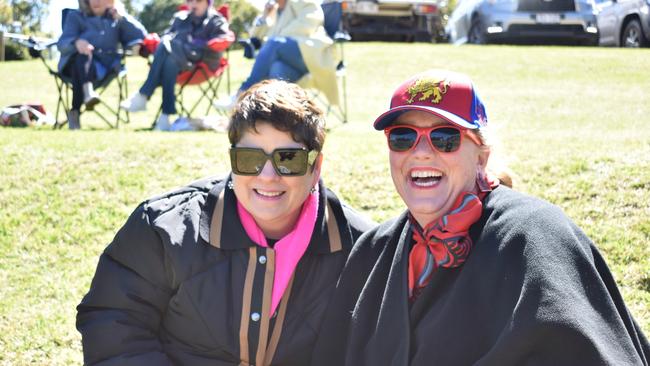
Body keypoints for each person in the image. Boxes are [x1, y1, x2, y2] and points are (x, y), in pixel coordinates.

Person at [311, 69, 650, 365]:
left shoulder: (535, 237)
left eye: (445, 139)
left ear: (481, 156)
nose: (421, 151)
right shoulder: (373, 251)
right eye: (403, 138)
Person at [76, 79, 375, 365]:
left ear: (316, 165)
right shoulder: (163, 229)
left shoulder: (364, 251)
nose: (268, 176)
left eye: (288, 159)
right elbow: (114, 323)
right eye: (249, 158)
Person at [120, 0, 232, 131]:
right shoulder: (180, 18)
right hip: (178, 62)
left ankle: (144, 95)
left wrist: (204, 43)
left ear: (208, 3)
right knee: (169, 59)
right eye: (190, 1)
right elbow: (167, 36)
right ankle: (165, 117)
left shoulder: (217, 20)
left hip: (201, 63)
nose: (194, 4)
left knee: (167, 44)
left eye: (199, 1)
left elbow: (224, 37)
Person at [213, 0, 338, 111]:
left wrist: (276, 39)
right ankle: (277, 117)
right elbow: (256, 36)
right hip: (290, 67)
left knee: (274, 43)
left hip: (310, 59)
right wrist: (265, 15)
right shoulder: (275, 12)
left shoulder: (304, 2)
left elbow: (308, 24)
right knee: (277, 69)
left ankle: (242, 93)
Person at [57, 0, 146, 130]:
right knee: (82, 56)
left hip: (105, 68)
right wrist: (76, 42)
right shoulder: (75, 16)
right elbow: (62, 44)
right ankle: (87, 93)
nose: (96, 1)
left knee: (81, 63)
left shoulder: (116, 19)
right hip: (74, 65)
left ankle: (75, 111)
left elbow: (142, 36)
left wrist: (122, 17)